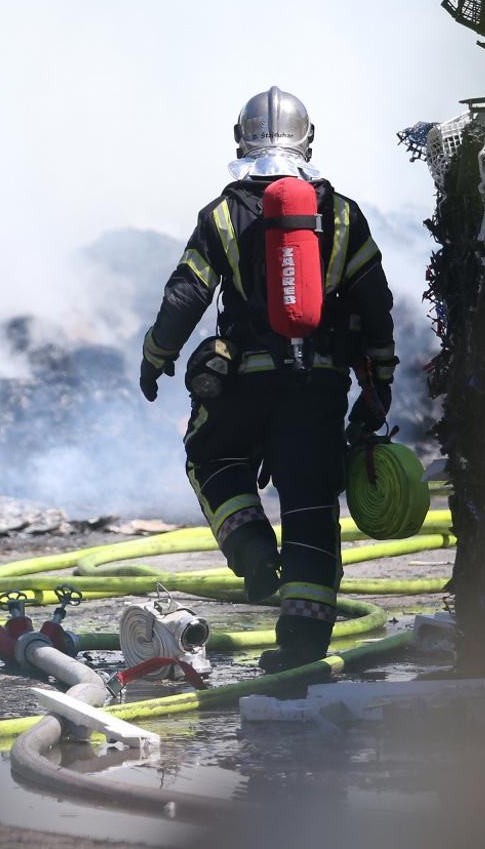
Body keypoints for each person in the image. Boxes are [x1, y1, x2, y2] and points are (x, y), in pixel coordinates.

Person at [138, 87, 398, 673]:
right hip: (319, 391)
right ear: (309, 140)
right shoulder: (343, 215)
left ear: (241, 140)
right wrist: (379, 384)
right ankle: (302, 648)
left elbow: (185, 295)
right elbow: (376, 306)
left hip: (243, 385)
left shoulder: (222, 213)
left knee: (212, 457)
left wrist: (156, 356)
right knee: (311, 509)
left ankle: (254, 552)